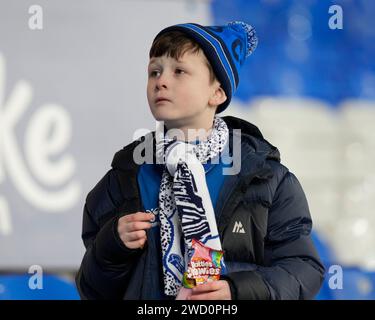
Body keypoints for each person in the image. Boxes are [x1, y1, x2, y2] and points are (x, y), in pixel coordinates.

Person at [75, 21, 325, 300]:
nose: (161, 81)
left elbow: (303, 269)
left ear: (217, 92)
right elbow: (91, 287)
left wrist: (236, 291)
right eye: (154, 71)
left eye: (179, 71)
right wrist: (112, 245)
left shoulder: (266, 177)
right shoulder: (124, 176)